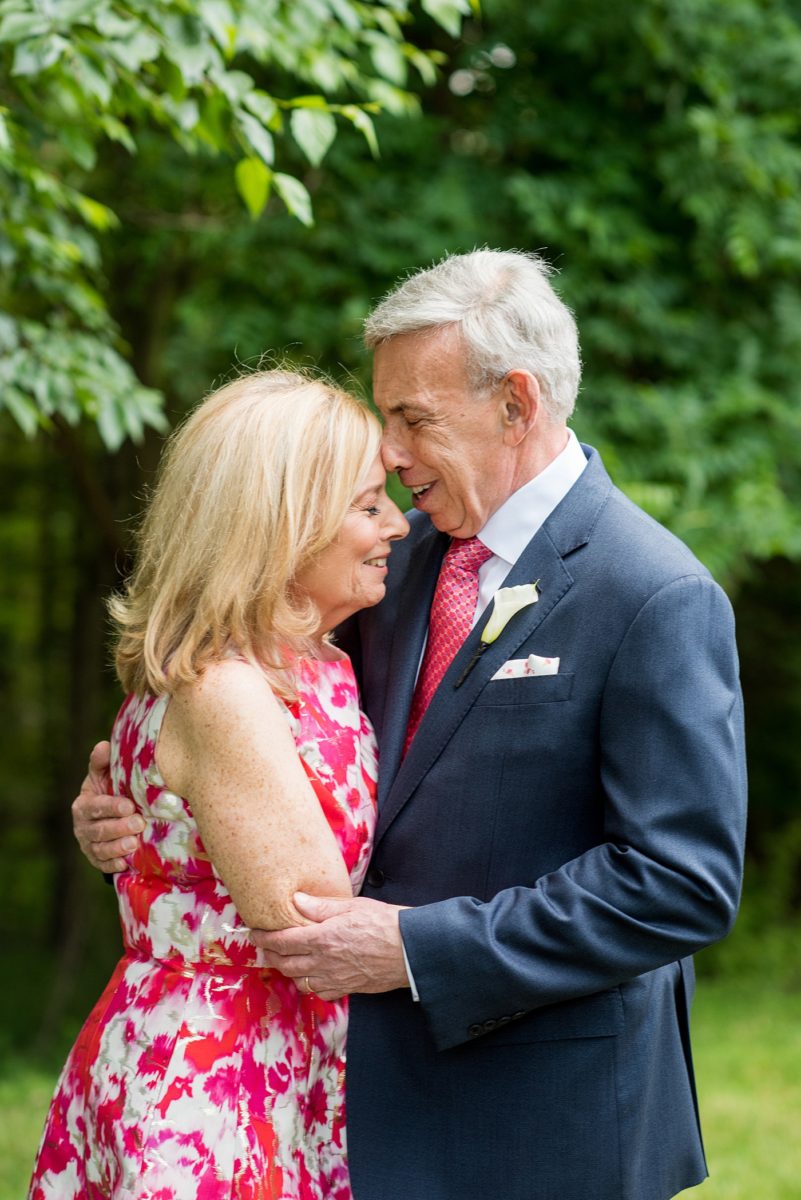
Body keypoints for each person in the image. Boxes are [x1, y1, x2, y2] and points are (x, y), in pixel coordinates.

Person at [73, 250, 747, 1200]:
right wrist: (131, 810)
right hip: (351, 1096)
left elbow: (679, 883)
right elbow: (255, 710)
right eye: (384, 415)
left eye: (413, 418)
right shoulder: (389, 564)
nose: (388, 454)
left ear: (516, 404)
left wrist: (420, 950)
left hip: (547, 1112)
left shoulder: (653, 592)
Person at [31, 368, 408, 1200]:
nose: (397, 524)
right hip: (220, 1073)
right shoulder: (225, 688)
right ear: (283, 524)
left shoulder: (313, 662)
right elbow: (308, 917)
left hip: (277, 1051)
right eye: (367, 503)